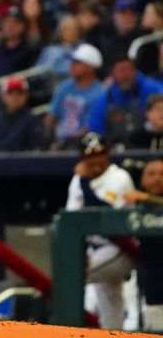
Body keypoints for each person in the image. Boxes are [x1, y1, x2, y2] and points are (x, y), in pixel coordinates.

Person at [66, 132, 135, 330]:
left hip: (120, 247)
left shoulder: (119, 177)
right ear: (82, 157)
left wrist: (84, 182)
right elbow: (72, 220)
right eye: (90, 155)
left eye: (100, 153)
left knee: (71, 277)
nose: (96, 159)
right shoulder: (78, 181)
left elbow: (102, 214)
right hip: (94, 248)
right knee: (110, 307)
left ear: (108, 154)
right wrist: (81, 252)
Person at [124, 159, 163, 332]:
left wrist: (150, 198)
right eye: (152, 174)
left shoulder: (144, 198)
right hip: (148, 283)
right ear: (142, 180)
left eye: (162, 174)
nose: (157, 178)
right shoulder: (134, 201)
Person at [88, 59, 163, 147]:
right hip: (114, 151)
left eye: (129, 70)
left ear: (136, 72)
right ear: (112, 74)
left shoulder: (152, 89)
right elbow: (96, 130)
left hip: (145, 145)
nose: (125, 75)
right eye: (121, 70)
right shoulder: (106, 98)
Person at [46, 43, 105, 150]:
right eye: (72, 62)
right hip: (60, 144)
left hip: (85, 147)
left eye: (77, 63)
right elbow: (52, 117)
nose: (72, 65)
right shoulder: (64, 87)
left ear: (91, 67)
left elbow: (91, 128)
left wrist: (67, 142)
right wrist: (50, 139)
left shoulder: (100, 93)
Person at [0, 76, 42, 151]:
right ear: (3, 96)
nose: (15, 97)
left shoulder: (31, 120)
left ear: (26, 95)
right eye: (10, 93)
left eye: (19, 93)